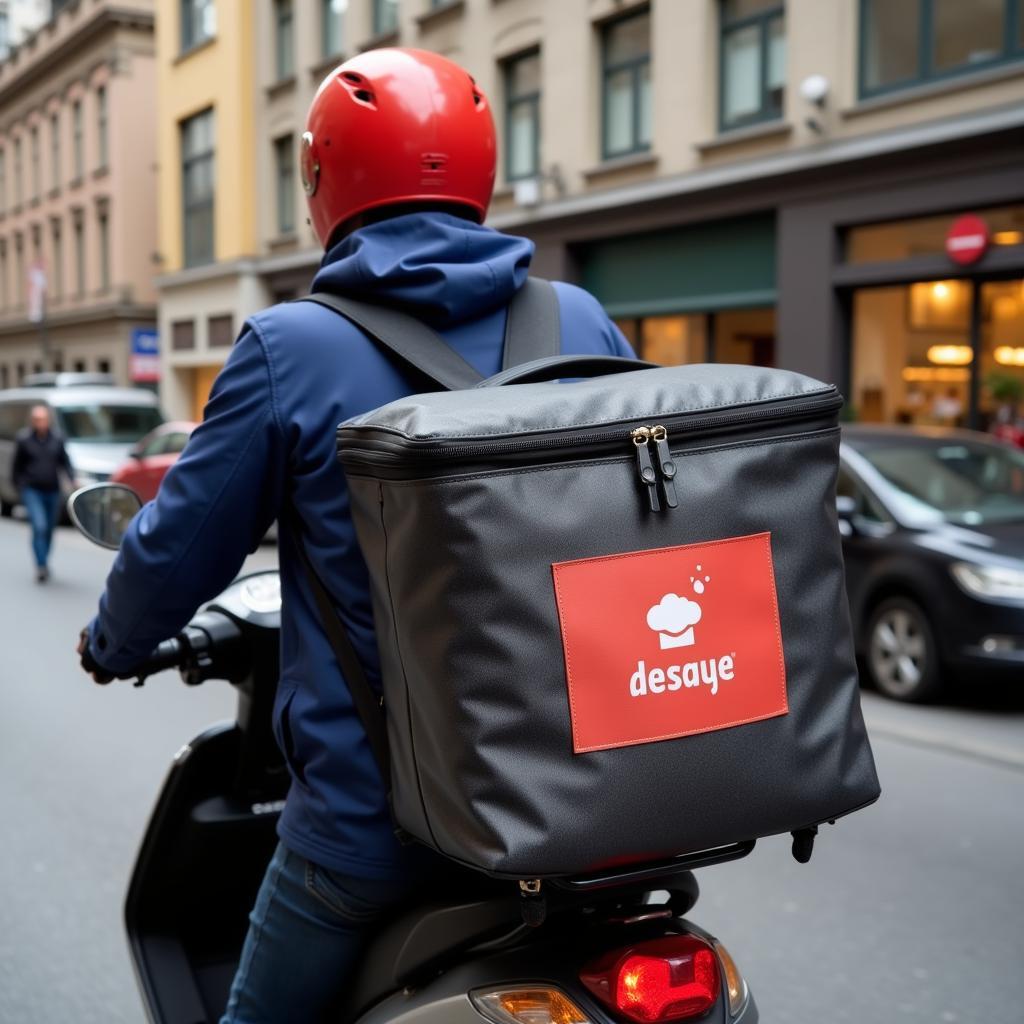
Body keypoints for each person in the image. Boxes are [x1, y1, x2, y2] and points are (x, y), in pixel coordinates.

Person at [77, 48, 635, 1022]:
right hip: (590, 813)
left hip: (375, 833)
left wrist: (113, 640)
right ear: (481, 174)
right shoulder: (579, 317)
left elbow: (177, 548)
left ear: (325, 182)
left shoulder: (290, 346)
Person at [13, 404, 75, 582]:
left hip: (52, 490)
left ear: (48, 420)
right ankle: (40, 565)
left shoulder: (57, 438)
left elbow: (65, 462)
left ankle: (44, 560)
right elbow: (16, 467)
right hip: (32, 490)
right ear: (32, 421)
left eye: (43, 419)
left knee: (48, 529)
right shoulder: (24, 440)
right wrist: (20, 486)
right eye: (37, 419)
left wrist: (71, 479)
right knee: (39, 526)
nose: (40, 423)